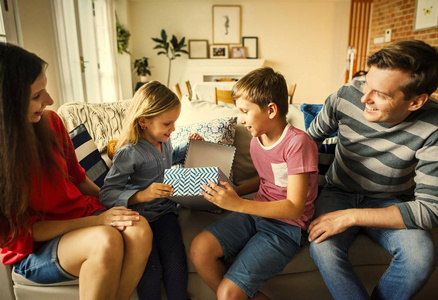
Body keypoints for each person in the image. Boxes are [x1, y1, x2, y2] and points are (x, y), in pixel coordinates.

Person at [0, 42, 152, 300]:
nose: (49, 101)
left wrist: (117, 200)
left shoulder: (52, 123)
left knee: (139, 228)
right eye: (36, 96)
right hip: (36, 248)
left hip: (82, 217)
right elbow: (24, 233)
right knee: (105, 240)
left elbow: (80, 181)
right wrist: (97, 221)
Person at [307, 40, 438, 300]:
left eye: (382, 93)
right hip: (338, 192)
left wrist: (350, 217)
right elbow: (305, 143)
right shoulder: (346, 96)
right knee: (323, 248)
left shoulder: (434, 126)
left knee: (421, 257)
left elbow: (430, 209)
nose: (364, 98)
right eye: (367, 83)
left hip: (392, 201)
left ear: (415, 102)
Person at [190, 67, 319, 300]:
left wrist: (237, 203)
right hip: (255, 212)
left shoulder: (298, 144)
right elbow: (266, 177)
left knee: (227, 294)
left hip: (286, 226)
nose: (241, 119)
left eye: (245, 111)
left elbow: (294, 207)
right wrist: (233, 191)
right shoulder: (256, 140)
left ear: (270, 110)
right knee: (200, 249)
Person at [100, 81, 201, 300]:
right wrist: (142, 195)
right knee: (150, 270)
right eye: (167, 123)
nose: (172, 129)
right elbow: (106, 194)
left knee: (176, 263)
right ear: (144, 121)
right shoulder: (129, 152)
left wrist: (190, 147)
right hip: (138, 219)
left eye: (174, 122)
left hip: (165, 213)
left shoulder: (164, 141)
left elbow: (169, 158)